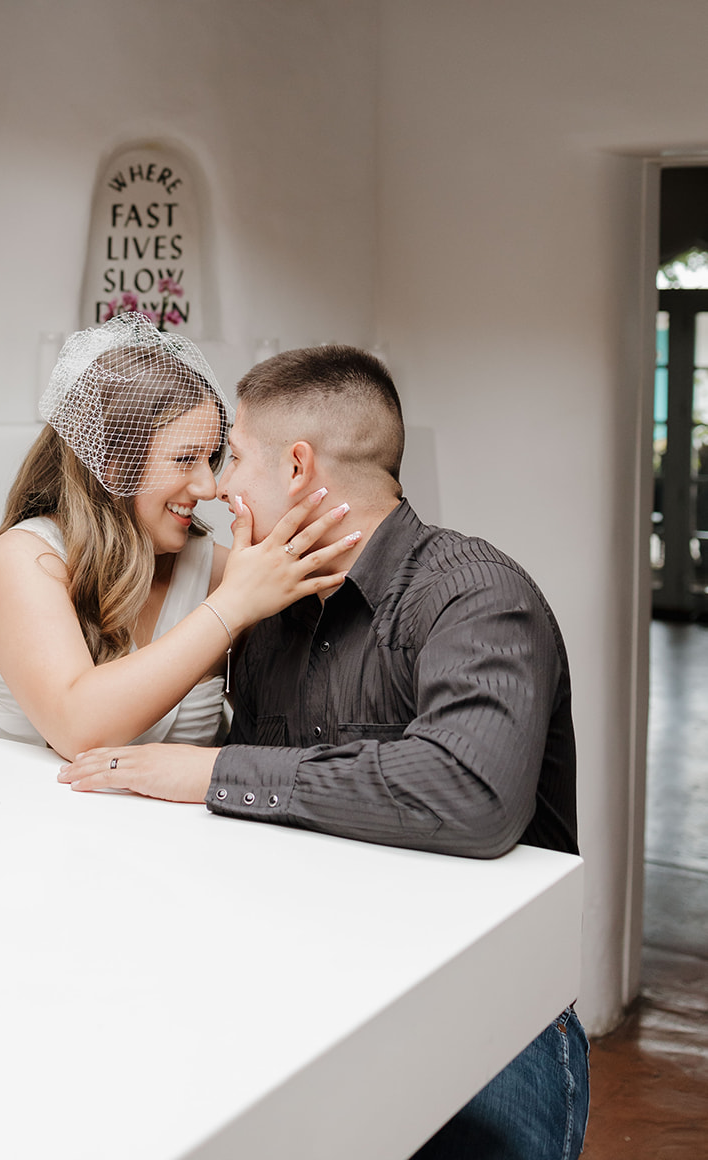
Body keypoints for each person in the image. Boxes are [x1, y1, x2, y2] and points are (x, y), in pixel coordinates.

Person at [57, 343, 590, 1160]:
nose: (219, 489)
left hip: (475, 997)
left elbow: (468, 796)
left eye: (233, 459)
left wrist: (210, 771)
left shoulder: (476, 591)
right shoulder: (267, 608)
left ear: (298, 465)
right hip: (302, 975)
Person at [0, 315, 358, 758]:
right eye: (185, 459)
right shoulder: (24, 559)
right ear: (113, 464)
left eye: (212, 458)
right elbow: (77, 728)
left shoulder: (223, 574)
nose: (208, 486)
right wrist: (232, 606)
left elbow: (273, 736)